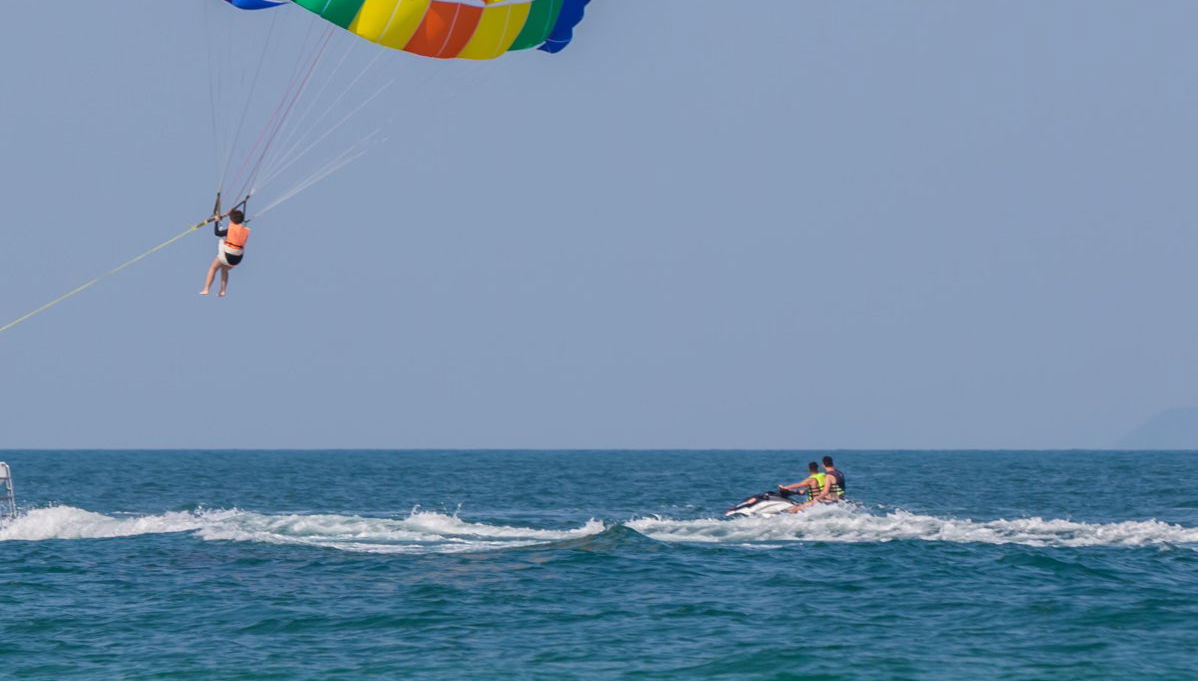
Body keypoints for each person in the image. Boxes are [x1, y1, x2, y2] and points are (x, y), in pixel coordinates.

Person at [200, 208, 251, 297]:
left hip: (228, 254)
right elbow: (237, 221)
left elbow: (217, 233)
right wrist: (230, 213)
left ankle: (206, 289)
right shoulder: (244, 229)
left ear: (231, 219)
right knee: (224, 269)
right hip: (237, 259)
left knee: (213, 268)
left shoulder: (231, 229)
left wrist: (216, 221)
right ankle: (222, 291)